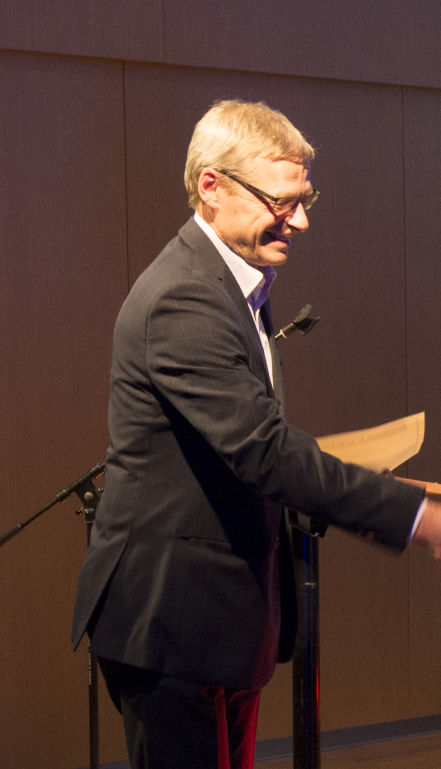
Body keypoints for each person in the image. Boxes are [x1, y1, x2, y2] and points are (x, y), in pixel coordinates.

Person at [72, 100, 441, 769]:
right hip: (169, 621)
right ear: (210, 186)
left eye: (304, 199)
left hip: (220, 620)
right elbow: (263, 450)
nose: (299, 220)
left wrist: (355, 483)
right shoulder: (183, 295)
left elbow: (238, 447)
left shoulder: (235, 283)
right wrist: (419, 519)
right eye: (281, 201)